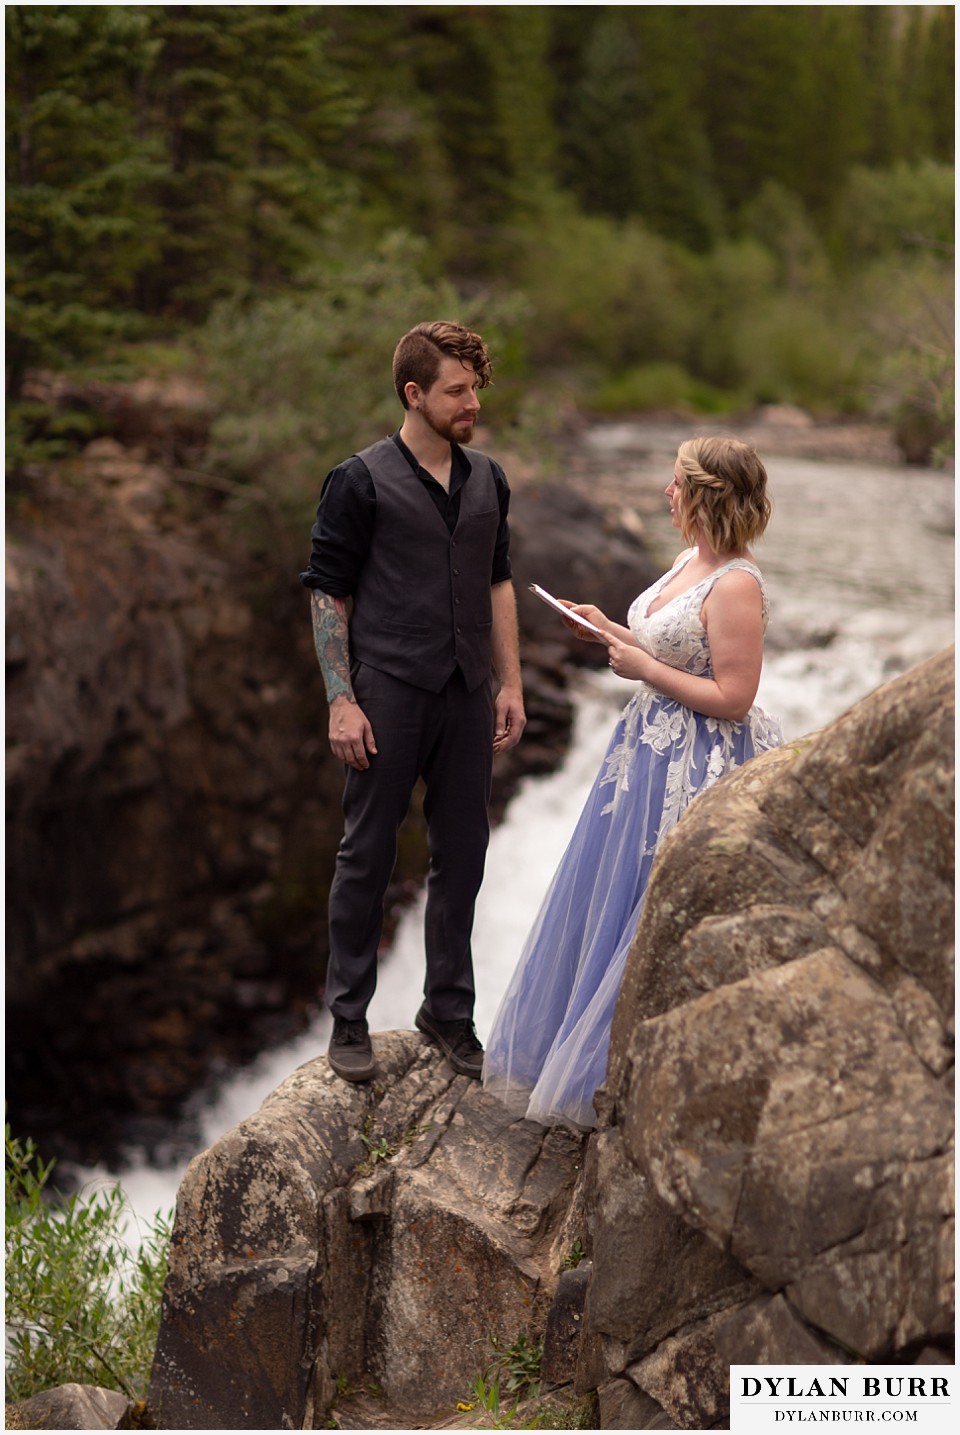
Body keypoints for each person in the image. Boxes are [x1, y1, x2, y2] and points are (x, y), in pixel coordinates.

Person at [482, 435, 782, 1129]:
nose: (666, 494)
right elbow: (670, 646)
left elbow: (735, 696)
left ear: (704, 493)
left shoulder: (737, 582)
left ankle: (629, 1079)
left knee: (649, 906)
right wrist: (608, 631)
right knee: (608, 898)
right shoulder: (689, 560)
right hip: (643, 756)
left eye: (677, 484)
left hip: (695, 764)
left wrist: (643, 668)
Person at [300, 321, 526, 1084]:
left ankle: (448, 1013)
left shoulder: (489, 478)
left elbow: (498, 583)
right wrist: (341, 699)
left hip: (467, 694)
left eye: (474, 389)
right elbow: (328, 592)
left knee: (463, 855)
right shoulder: (357, 480)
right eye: (457, 391)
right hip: (388, 689)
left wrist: (512, 684)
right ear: (414, 393)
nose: (471, 403)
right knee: (366, 854)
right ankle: (347, 1019)